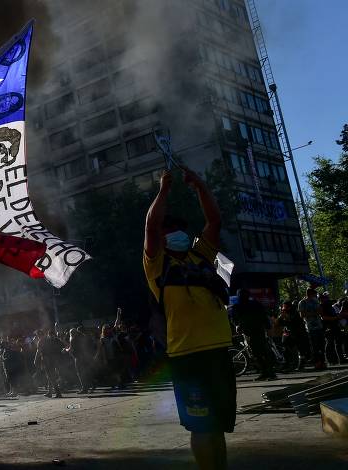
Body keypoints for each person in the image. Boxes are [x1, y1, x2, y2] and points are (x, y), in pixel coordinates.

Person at [144, 169, 234, 470]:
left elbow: (215, 222)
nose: (177, 234)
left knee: (218, 424)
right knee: (201, 425)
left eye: (180, 229)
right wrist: (163, 190)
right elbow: (151, 226)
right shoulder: (157, 265)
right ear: (162, 239)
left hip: (218, 351)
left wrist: (201, 187)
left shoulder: (201, 256)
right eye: (170, 231)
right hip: (187, 356)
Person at [230, 289, 277, 380]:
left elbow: (234, 319)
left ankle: (268, 372)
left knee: (258, 353)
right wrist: (268, 327)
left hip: (250, 332)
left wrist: (237, 326)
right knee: (261, 352)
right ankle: (267, 372)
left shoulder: (238, 306)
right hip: (258, 331)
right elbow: (264, 316)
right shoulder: (255, 304)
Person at [298, 288, 326, 370]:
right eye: (314, 294)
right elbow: (302, 314)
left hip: (319, 326)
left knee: (321, 345)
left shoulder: (316, 301)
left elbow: (321, 311)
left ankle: (322, 362)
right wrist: (314, 313)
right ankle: (317, 363)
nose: (315, 296)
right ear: (310, 294)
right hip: (310, 327)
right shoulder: (302, 302)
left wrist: (316, 310)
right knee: (314, 346)